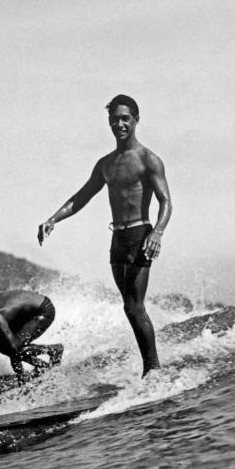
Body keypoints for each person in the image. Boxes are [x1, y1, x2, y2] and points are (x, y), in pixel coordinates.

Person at [37, 94, 172, 377]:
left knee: (134, 306)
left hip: (139, 233)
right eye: (114, 119)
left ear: (136, 119)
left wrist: (157, 233)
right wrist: (53, 219)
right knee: (129, 307)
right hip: (117, 238)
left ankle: (153, 370)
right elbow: (83, 196)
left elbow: (166, 201)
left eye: (125, 118)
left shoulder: (148, 159)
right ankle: (150, 367)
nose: (119, 124)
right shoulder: (105, 164)